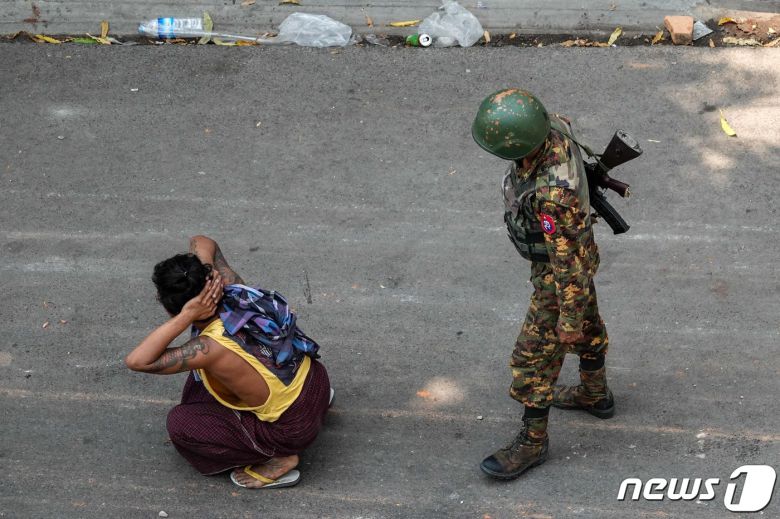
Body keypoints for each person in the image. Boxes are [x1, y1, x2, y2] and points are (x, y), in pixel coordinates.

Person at [471, 89, 615, 480]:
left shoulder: (553, 197)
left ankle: (532, 443)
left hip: (560, 273)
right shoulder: (552, 127)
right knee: (587, 322)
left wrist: (566, 319)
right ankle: (594, 393)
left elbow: (567, 267)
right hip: (575, 255)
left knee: (532, 359)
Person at [125, 235, 331, 489]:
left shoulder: (210, 348)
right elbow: (202, 240)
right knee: (199, 383)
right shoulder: (235, 288)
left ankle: (281, 458)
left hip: (295, 428)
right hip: (316, 382)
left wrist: (186, 316)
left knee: (181, 423)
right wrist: (205, 273)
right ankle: (316, 407)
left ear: (173, 309)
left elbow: (138, 361)